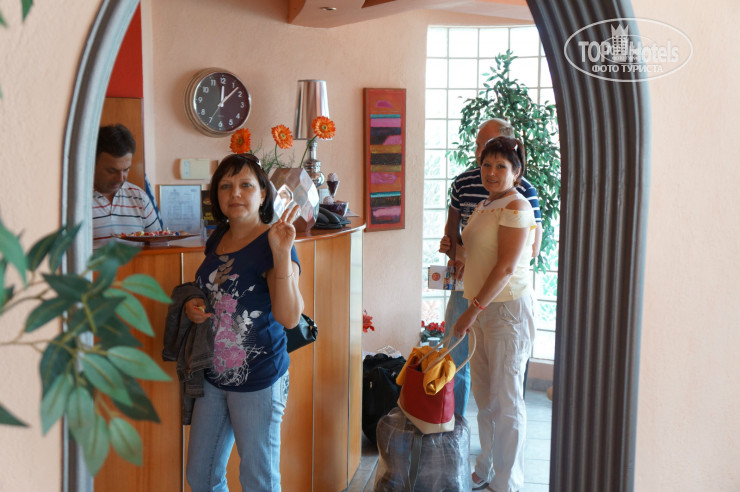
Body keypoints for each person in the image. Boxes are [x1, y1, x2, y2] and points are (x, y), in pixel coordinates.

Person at [183, 153, 303, 491]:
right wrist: (195, 306)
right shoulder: (218, 237)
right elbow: (215, 291)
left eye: (245, 185)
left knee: (258, 481)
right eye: (226, 186)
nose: (235, 193)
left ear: (263, 194)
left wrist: (282, 254)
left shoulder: (275, 240)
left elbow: (289, 317)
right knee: (201, 477)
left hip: (259, 380)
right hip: (213, 375)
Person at [439, 118, 542, 417]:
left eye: (485, 145)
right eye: (479, 148)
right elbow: (454, 235)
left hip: (501, 295)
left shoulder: (521, 195)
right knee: (458, 354)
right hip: (467, 283)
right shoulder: (466, 185)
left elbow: (528, 249)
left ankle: (493, 444)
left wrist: (488, 262)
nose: (480, 153)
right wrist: (455, 254)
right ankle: (455, 421)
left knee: (504, 388)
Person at [452, 136, 537, 492]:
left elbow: (505, 268)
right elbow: (479, 252)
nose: (491, 172)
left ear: (516, 172)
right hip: (483, 309)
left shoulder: (516, 205)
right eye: (487, 165)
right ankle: (486, 466)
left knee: (507, 401)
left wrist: (470, 312)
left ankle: (507, 482)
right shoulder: (486, 203)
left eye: (501, 166)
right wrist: (462, 260)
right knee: (485, 398)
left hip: (506, 312)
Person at [92, 124, 161, 247]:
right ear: (92, 163)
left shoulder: (139, 197)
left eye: (126, 170)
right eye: (112, 171)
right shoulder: (75, 201)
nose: (120, 178)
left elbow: (159, 245)